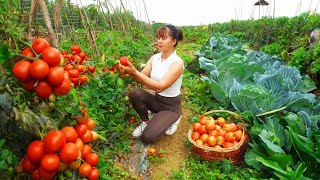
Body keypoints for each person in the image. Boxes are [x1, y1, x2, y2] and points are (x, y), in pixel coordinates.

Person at [118, 24, 184, 144]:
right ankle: (146, 122)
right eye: (158, 38)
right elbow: (140, 79)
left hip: (171, 108)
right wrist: (130, 72)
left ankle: (174, 119)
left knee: (147, 137)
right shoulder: (154, 58)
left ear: (174, 41)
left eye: (164, 38)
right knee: (135, 94)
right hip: (158, 102)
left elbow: (160, 87)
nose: (159, 41)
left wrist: (135, 72)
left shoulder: (177, 64)